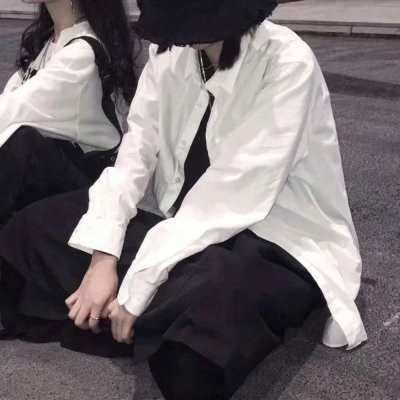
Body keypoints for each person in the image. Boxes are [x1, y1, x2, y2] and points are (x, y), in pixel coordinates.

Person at [0, 0, 367, 398]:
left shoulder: (287, 62)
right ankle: (146, 316)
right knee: (43, 222)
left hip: (276, 242)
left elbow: (233, 194)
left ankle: (139, 314)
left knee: (216, 303)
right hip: (188, 238)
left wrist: (138, 284)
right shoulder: (170, 56)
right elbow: (134, 157)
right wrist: (102, 258)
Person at [0, 0, 137, 225]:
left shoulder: (81, 54)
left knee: (21, 143)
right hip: (47, 191)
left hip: (81, 197)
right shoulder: (49, 43)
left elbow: (10, 112)